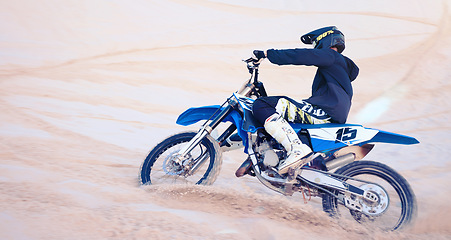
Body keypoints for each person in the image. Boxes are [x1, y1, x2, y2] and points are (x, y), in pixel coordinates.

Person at [251, 26, 359, 175]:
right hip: (331, 115)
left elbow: (302, 55)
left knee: (262, 104)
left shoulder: (331, 56)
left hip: (324, 112)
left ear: (325, 40)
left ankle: (296, 150)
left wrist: (268, 54)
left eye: (316, 43)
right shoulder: (339, 67)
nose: (315, 48)